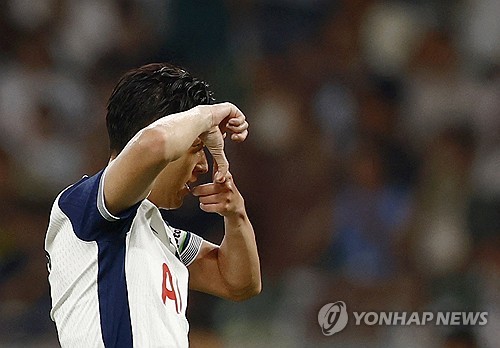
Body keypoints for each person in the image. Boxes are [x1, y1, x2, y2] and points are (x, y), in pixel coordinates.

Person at [44, 62, 261, 347]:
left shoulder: (161, 234)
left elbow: (240, 282)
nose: (203, 165)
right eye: (196, 147)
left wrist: (236, 216)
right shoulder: (82, 204)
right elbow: (154, 144)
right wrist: (209, 114)